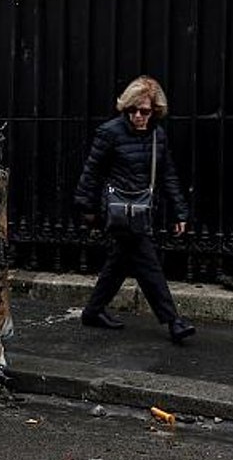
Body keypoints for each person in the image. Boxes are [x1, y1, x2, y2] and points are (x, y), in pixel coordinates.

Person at [73, 75, 196, 344]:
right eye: (132, 110)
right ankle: (173, 321)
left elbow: (168, 175)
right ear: (125, 107)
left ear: (155, 111)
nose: (138, 116)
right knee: (147, 261)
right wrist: (87, 208)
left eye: (144, 111)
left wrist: (180, 213)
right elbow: (91, 172)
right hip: (117, 210)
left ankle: (93, 311)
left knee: (119, 262)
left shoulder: (157, 136)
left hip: (141, 210)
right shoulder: (110, 132)